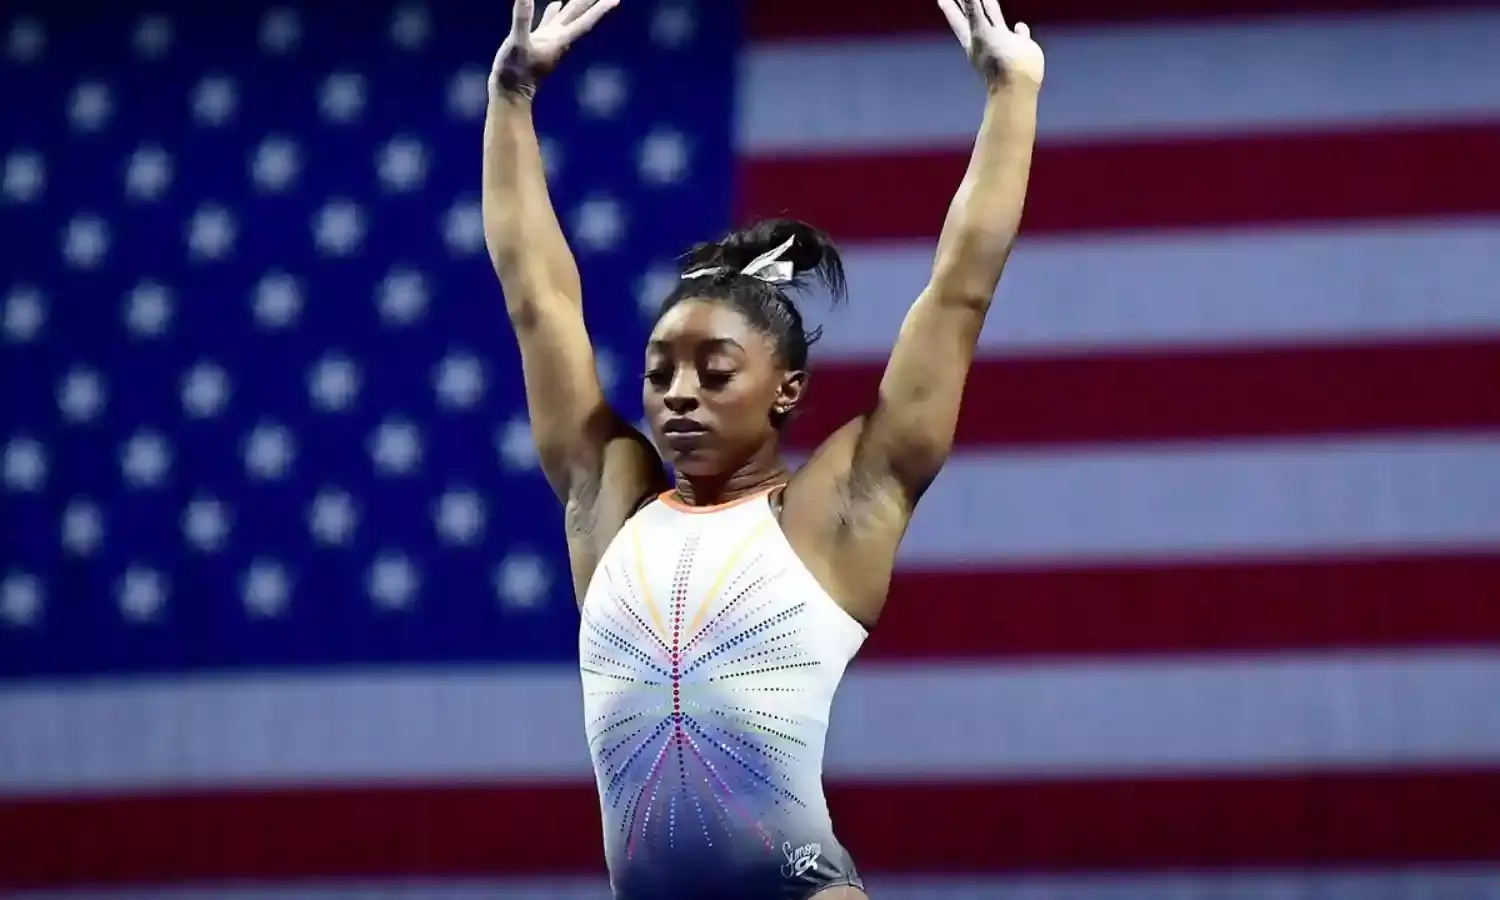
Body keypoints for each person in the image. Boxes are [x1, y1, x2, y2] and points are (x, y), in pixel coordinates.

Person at [483, 0, 1043, 897]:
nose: (679, 392)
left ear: (786, 389)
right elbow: (535, 299)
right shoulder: (609, 502)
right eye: (659, 371)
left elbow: (958, 294)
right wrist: (510, 99)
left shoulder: (835, 510)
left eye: (715, 372)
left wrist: (1012, 96)